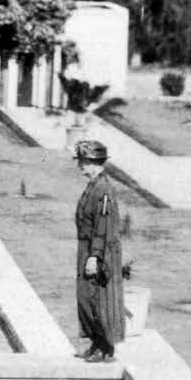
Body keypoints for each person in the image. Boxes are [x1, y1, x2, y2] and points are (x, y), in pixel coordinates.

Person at [72, 139, 126, 363]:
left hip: (100, 250)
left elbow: (103, 227)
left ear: (92, 162)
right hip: (88, 247)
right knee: (86, 296)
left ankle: (106, 348)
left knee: (98, 297)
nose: (80, 166)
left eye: (83, 162)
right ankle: (97, 344)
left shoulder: (103, 189)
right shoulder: (94, 185)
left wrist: (95, 256)